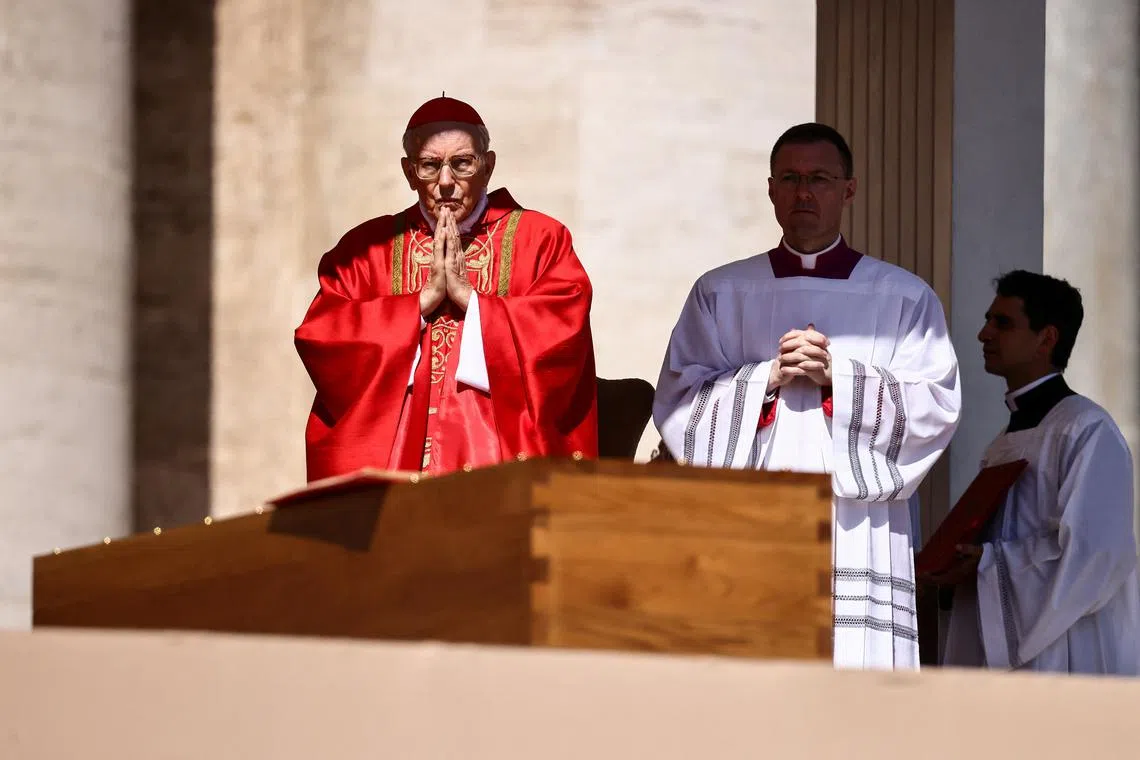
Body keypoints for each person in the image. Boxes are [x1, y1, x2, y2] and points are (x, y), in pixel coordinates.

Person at [652, 123, 961, 670]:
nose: (803, 193)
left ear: (849, 189)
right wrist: (764, 378)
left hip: (856, 522)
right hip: (751, 513)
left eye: (819, 178)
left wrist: (838, 378)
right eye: (790, 179)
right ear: (770, 189)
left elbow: (935, 406)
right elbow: (678, 400)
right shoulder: (721, 291)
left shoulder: (903, 296)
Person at [294, 96, 598, 481]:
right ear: (409, 172)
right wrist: (418, 305)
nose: (446, 182)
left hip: (497, 462)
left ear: (487, 166)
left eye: (462, 163)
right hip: (395, 462)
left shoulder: (540, 240)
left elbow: (563, 332)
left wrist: (473, 303)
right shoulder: (364, 250)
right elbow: (322, 336)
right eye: (429, 165)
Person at [937, 270, 1140, 675]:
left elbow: (1096, 553)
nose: (983, 334)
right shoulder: (1004, 441)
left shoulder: (1087, 429)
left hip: (1067, 645)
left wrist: (988, 564)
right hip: (1006, 639)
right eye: (987, 320)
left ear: (1047, 338)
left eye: (1003, 323)